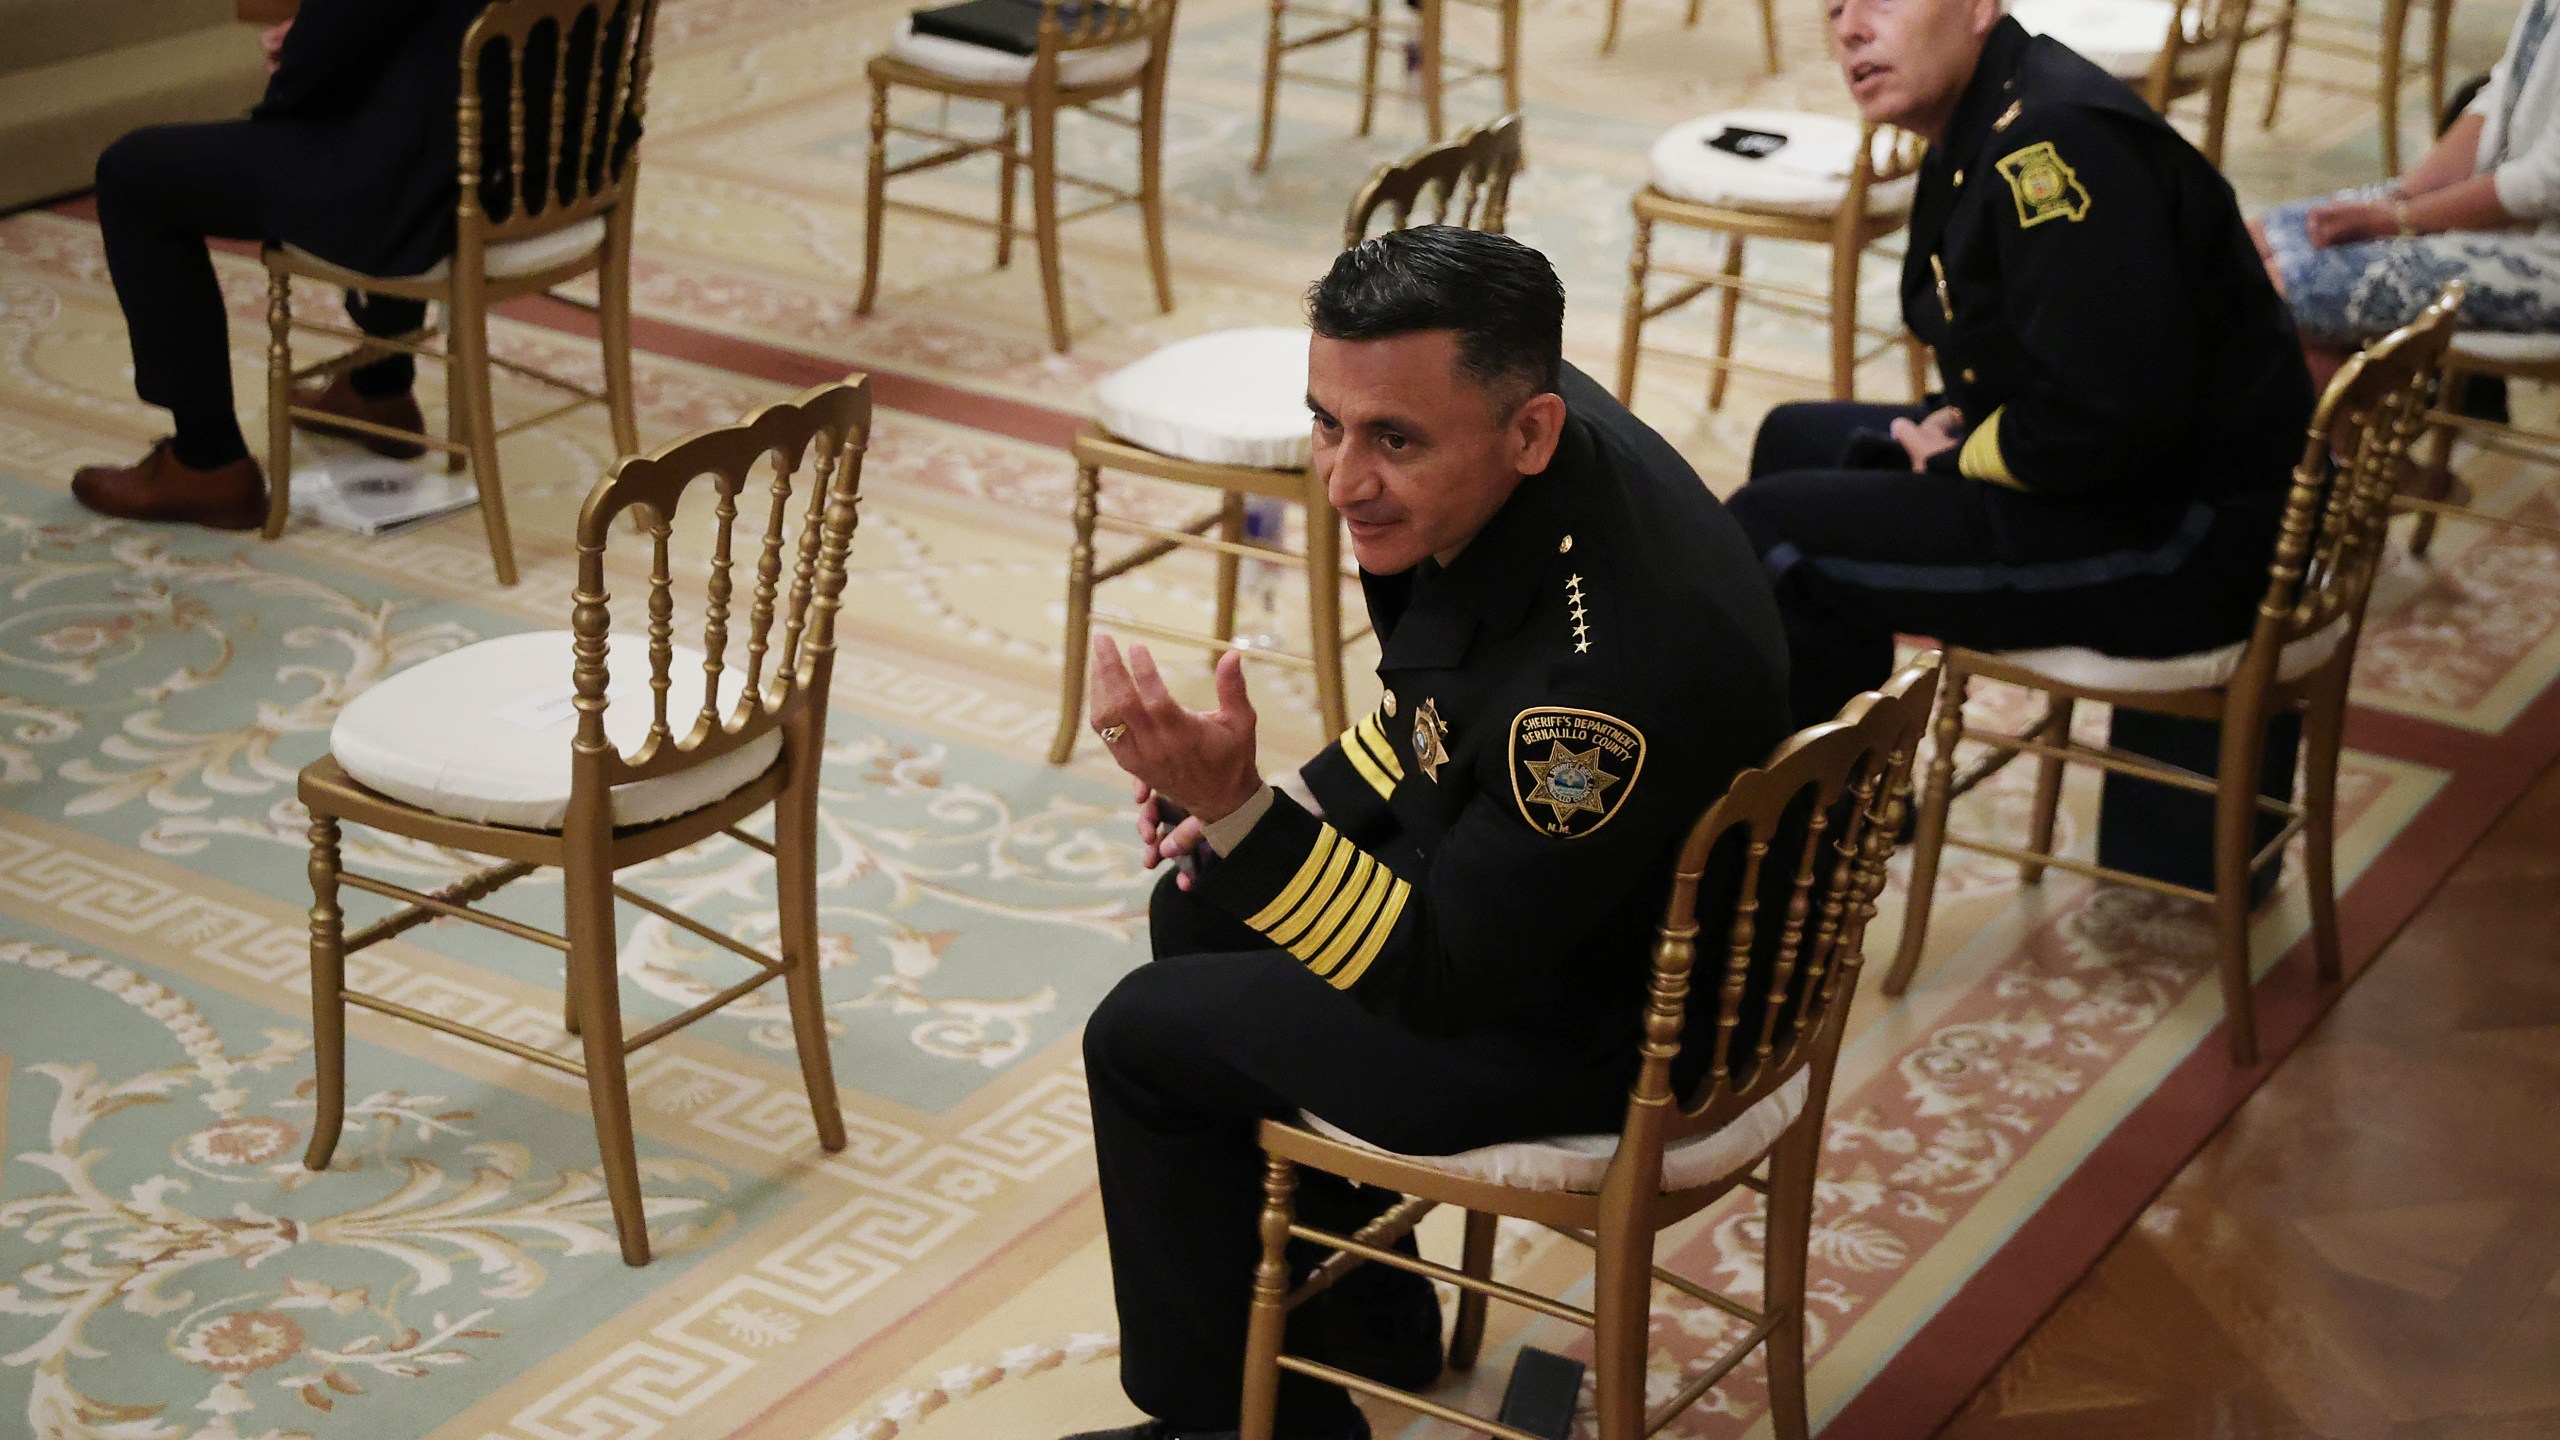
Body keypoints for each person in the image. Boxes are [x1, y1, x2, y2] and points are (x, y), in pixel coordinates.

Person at [1066, 226, 1790, 1440]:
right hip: (1597, 904)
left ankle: (1238, 1429)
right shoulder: (1523, 429)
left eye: (1392, 440)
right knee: (1199, 895)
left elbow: (1445, 973)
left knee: (1140, 1036)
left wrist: (1245, 809)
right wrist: (1263, 808)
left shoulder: (1595, 680)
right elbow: (1438, 712)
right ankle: (1364, 1322)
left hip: (1618, 1018)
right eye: (1326, 423)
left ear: (1530, 431)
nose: (1345, 480)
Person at [1727, 0, 2314, 733]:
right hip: (2133, 484)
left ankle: (1792, 841)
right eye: (1836, 6)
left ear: (1979, 6)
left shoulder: (2053, 142)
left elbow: (2106, 416)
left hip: (2185, 544)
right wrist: (1958, 418)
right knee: (1795, 439)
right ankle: (1843, 811)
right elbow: (2051, 352)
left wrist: (1957, 459)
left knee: (1775, 531)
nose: (1850, 28)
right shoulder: (1991, 109)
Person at [71, 0, 493, 531]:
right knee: (398, 80)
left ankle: (206, 462)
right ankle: (378, 387)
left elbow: (320, 58)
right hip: (531, 183)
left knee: (132, 174)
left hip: (418, 191)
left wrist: (298, 50)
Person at [2255, 0, 2560, 390]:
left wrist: (2396, 220)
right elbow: (2501, 92)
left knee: (2285, 290)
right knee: (2248, 246)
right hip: (2511, 214)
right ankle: (2346, 442)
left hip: (2546, 256)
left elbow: (2545, 183)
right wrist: (2406, 196)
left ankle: (2348, 449)